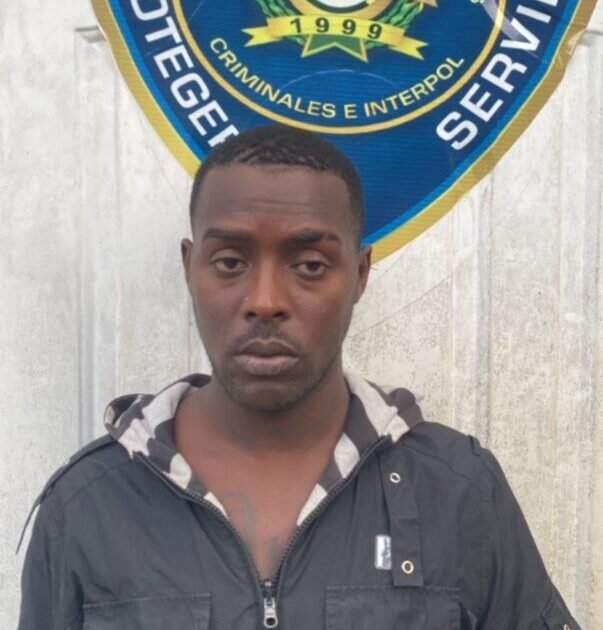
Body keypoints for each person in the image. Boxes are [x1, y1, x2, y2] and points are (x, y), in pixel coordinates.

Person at [18, 125, 580, 629]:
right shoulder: (86, 506)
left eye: (309, 265)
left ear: (359, 274)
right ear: (190, 267)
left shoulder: (458, 490)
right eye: (230, 262)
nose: (265, 301)